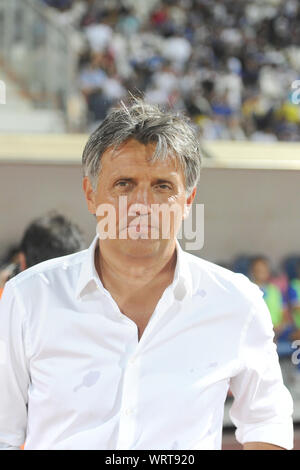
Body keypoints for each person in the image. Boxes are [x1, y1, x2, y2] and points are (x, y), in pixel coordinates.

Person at [0, 98, 293, 450]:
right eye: (124, 184)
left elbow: (267, 422)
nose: (142, 205)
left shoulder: (236, 303)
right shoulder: (29, 298)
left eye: (162, 186)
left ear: (187, 201)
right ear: (91, 194)